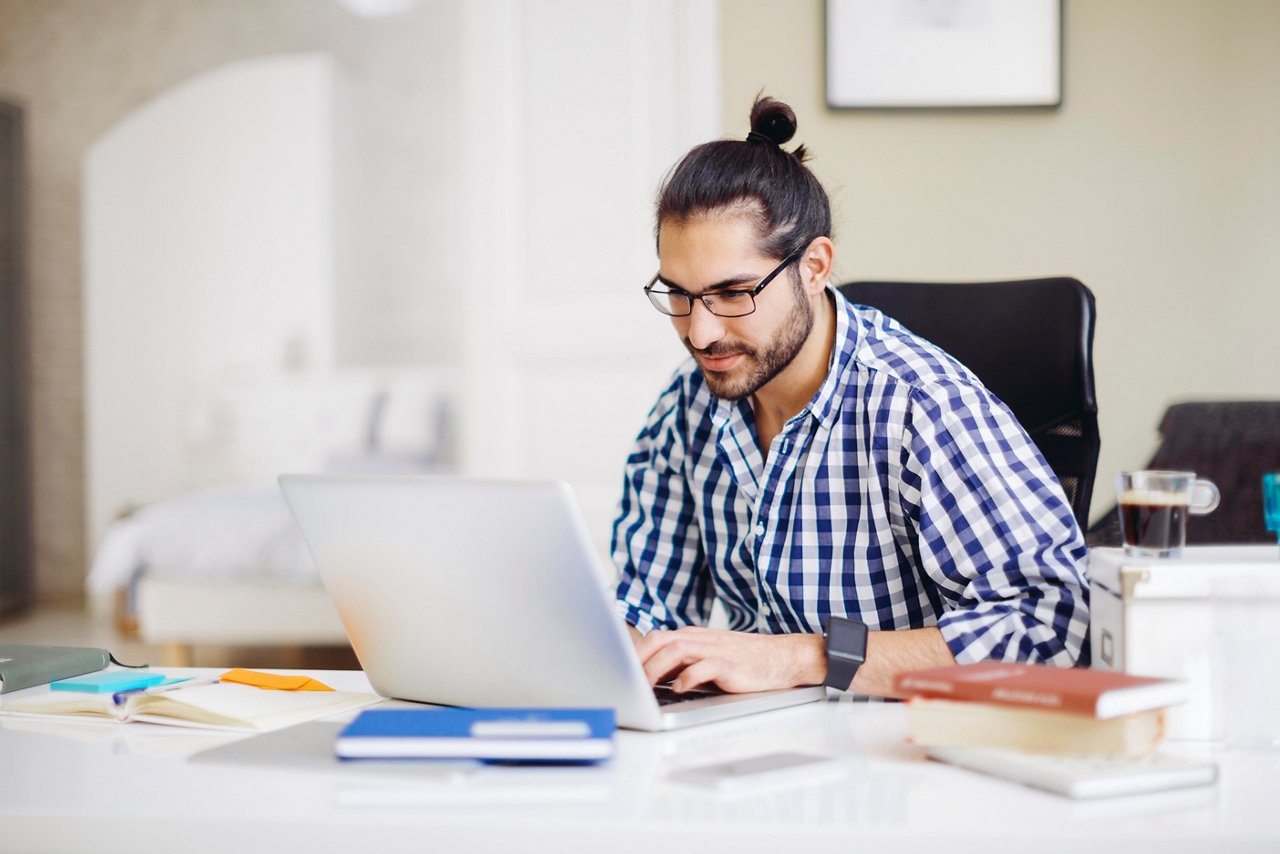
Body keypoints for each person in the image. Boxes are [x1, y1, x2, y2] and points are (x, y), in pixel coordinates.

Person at [611, 96, 1089, 699]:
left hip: (904, 756)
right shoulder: (687, 405)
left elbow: (1047, 629)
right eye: (679, 294)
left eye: (733, 293)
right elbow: (645, 605)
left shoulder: (922, 405)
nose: (700, 333)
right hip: (750, 748)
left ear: (813, 266)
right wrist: (611, 646)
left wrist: (803, 657)